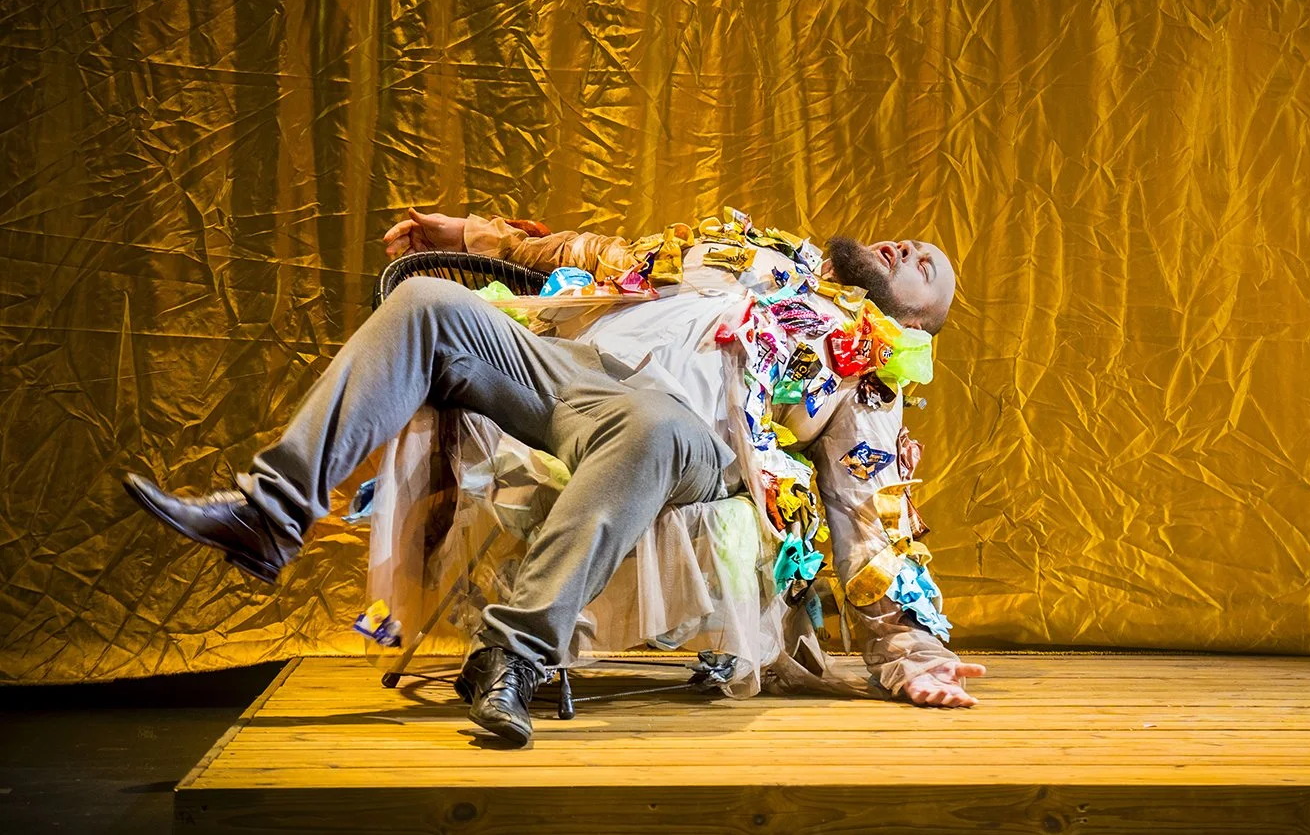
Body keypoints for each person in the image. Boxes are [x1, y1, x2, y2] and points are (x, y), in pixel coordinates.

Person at [123, 206, 985, 747]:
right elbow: (601, 253)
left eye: (926, 266)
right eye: (913, 241)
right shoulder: (756, 249)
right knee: (425, 304)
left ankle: (513, 655)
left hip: (693, 432)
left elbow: (870, 509)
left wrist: (910, 652)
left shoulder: (868, 360)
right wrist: (468, 237)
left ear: (922, 320)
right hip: (574, 371)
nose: (908, 247)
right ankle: (271, 513)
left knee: (650, 427)